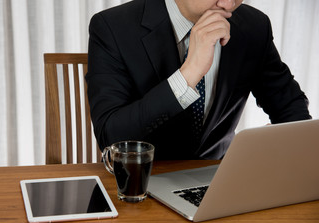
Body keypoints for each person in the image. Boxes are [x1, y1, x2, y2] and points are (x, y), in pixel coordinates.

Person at [86, 0, 311, 160]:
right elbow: (111, 137)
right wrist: (190, 73)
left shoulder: (254, 27)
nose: (228, 4)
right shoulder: (112, 27)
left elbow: (289, 107)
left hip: (219, 183)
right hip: (142, 185)